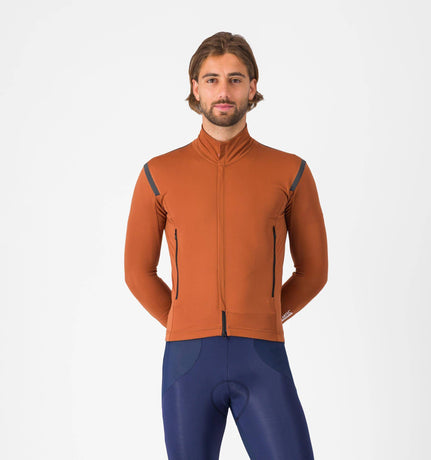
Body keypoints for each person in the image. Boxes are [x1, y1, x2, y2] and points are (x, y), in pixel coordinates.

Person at [124, 31, 328, 460]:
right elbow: (138, 272)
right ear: (195, 88)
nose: (223, 91)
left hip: (262, 355)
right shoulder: (158, 173)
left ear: (252, 87)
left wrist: (268, 315)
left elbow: (313, 272)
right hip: (187, 362)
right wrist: (182, 321)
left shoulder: (290, 171)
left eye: (235, 79)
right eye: (212, 79)